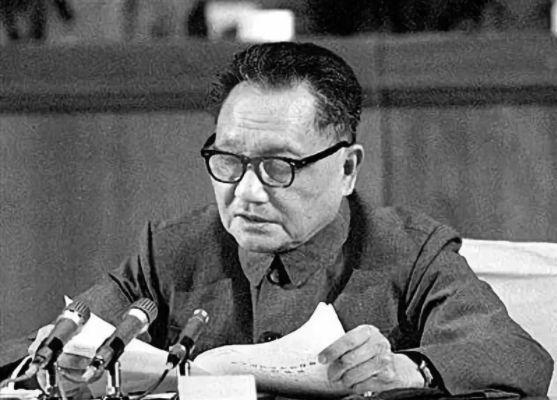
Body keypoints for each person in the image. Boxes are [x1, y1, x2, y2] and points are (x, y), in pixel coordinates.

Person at [0, 42, 553, 396]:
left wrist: (411, 369)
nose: (246, 192)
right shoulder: (173, 250)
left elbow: (516, 357)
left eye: (278, 167)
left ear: (347, 169)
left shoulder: (409, 251)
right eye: (228, 161)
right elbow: (52, 344)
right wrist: (61, 362)